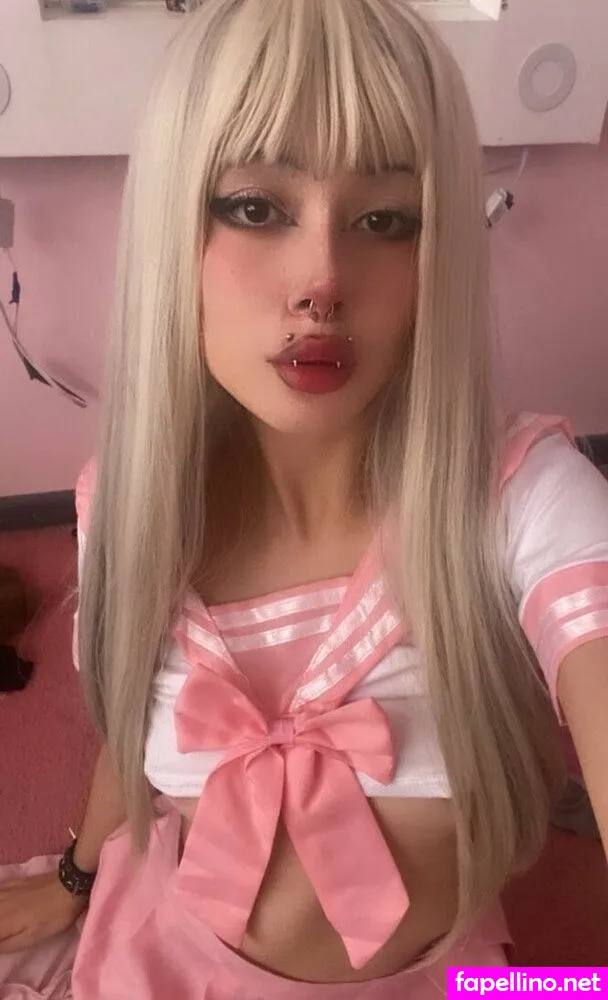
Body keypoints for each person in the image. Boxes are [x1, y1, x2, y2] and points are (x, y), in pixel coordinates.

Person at [1, 0, 607, 996]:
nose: (322, 279)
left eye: (385, 219)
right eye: (254, 207)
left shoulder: (521, 499)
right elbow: (129, 723)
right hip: (159, 959)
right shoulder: (126, 506)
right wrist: (73, 876)